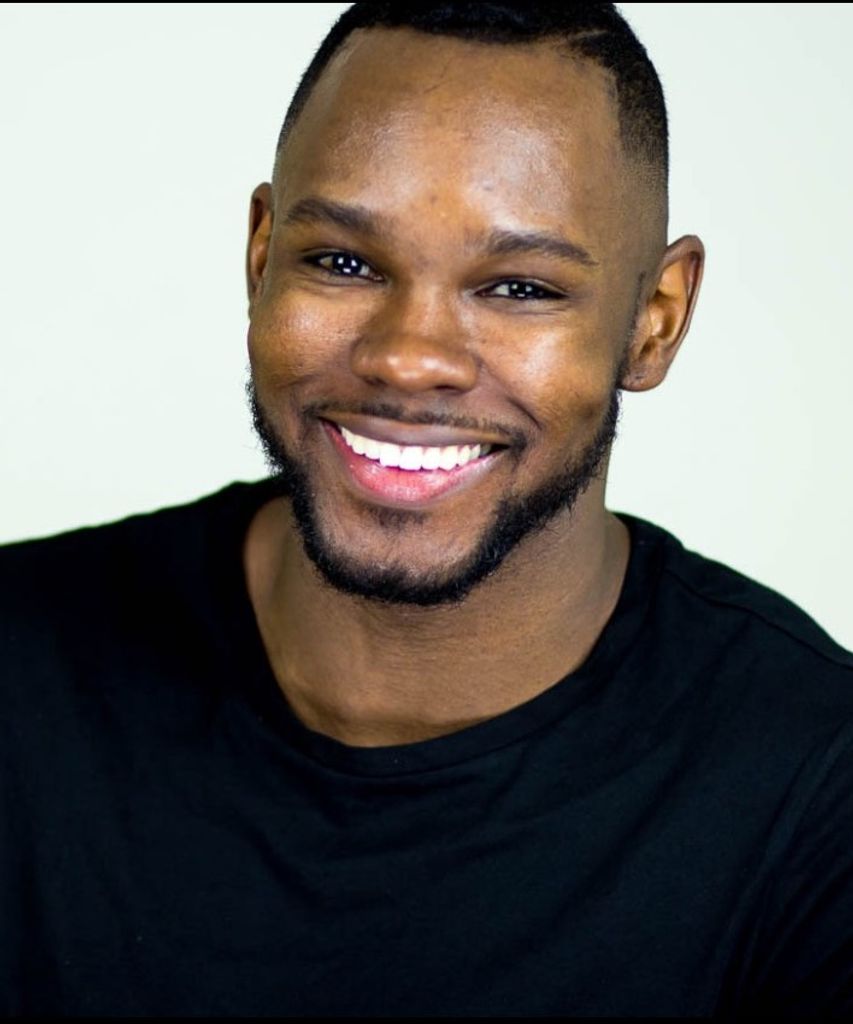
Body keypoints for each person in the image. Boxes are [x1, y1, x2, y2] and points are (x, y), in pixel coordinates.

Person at [2, 1, 852, 1016]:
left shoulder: (814, 789)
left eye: (521, 287)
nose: (409, 358)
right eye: (343, 262)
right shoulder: (21, 661)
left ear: (654, 321)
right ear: (261, 256)